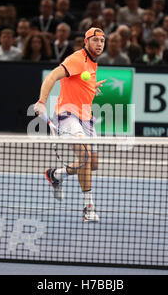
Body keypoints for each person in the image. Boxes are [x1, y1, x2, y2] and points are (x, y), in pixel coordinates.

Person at [33, 27, 107, 222]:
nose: (99, 44)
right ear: (86, 42)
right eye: (95, 40)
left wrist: (91, 86)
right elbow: (52, 77)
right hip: (67, 115)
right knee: (84, 155)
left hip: (86, 117)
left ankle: (56, 174)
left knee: (93, 164)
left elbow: (79, 81)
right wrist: (41, 102)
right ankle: (88, 208)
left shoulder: (92, 63)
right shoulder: (76, 58)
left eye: (102, 41)